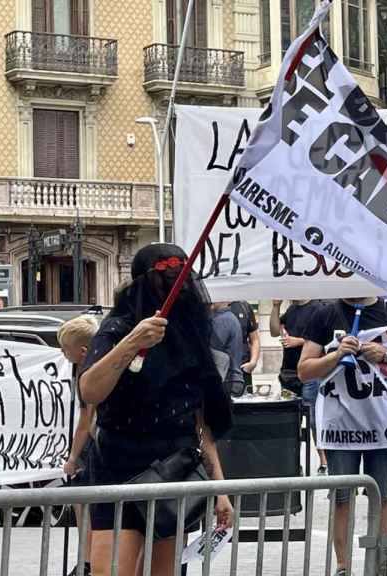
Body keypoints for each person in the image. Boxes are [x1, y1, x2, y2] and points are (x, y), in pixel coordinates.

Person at [79, 244, 234, 576]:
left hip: (171, 467)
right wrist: (132, 342)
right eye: (163, 279)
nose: (173, 289)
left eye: (179, 280)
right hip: (117, 466)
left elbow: (202, 422)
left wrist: (220, 488)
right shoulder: (118, 327)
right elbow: (90, 388)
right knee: (109, 571)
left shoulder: (191, 338)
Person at [298, 296, 387, 576]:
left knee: (381, 494)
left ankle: (382, 564)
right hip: (341, 424)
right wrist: (336, 355)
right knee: (342, 497)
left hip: (382, 422)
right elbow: (304, 371)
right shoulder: (325, 313)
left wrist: (386, 355)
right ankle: (343, 567)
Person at [58, 314, 101, 576]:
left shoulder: (89, 375)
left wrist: (72, 458)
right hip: (104, 448)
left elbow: (85, 423)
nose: (63, 355)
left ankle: (86, 563)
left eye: (65, 350)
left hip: (92, 451)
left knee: (84, 511)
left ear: (83, 351)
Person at [270, 298, 328, 474]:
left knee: (313, 419)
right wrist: (275, 306)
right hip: (288, 374)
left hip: (310, 375)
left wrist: (300, 341)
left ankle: (324, 461)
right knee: (291, 420)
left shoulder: (318, 308)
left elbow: (325, 339)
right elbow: (274, 331)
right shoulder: (291, 310)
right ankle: (293, 462)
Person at [210, 302, 246, 396]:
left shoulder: (222, 319)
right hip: (233, 380)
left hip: (227, 380)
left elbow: (213, 353)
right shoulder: (229, 317)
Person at [229, 300, 260, 390]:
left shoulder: (244, 306)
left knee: (245, 401)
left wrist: (253, 362)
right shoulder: (213, 305)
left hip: (243, 368)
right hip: (221, 370)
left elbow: (254, 339)